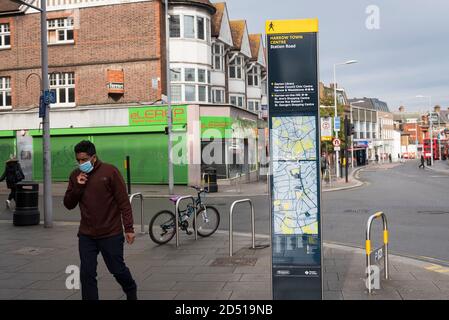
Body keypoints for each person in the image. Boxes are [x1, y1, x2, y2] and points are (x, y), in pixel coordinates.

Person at [63, 140, 137, 300]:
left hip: (111, 232)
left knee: (117, 269)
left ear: (94, 158)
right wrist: (78, 187)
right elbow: (68, 204)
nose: (81, 163)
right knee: (87, 273)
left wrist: (129, 228)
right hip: (86, 234)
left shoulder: (110, 172)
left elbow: (123, 202)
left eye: (84, 160)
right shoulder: (75, 175)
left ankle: (130, 288)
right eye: (78, 160)